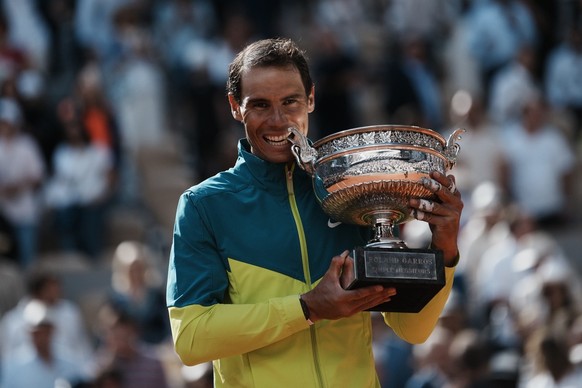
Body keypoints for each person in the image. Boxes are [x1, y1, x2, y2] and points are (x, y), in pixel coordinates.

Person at [166, 38, 464, 387]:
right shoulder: (204, 206)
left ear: (310, 98)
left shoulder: (351, 191)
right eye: (260, 105)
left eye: (290, 101)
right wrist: (307, 308)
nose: (277, 120)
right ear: (235, 107)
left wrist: (444, 250)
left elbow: (413, 329)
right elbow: (191, 338)